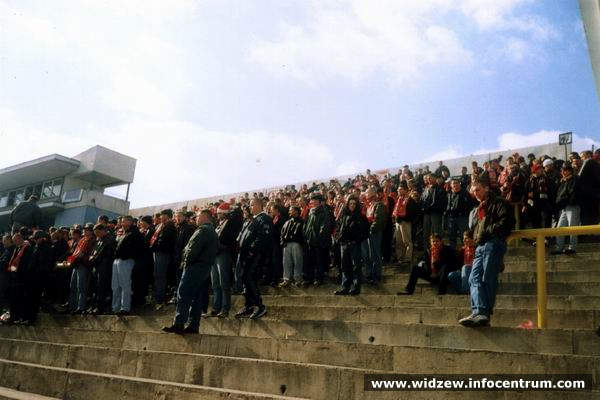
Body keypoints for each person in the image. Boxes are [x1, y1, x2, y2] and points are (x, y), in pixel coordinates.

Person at [459, 176, 515, 327]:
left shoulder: (500, 203)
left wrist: (486, 231)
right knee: (473, 278)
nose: (475, 193)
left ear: (486, 188)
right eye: (473, 191)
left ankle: (482, 313)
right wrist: (471, 235)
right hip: (481, 246)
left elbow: (507, 223)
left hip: (494, 243)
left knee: (487, 278)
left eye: (478, 189)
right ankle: (479, 312)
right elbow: (477, 229)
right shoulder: (478, 209)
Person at [163, 209, 218, 334]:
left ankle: (179, 323)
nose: (195, 219)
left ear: (204, 217)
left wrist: (185, 263)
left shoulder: (203, 230)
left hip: (194, 267)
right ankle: (193, 325)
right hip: (204, 267)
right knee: (196, 297)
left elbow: (192, 250)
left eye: (197, 216)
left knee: (184, 293)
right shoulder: (212, 231)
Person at [235, 198, 271, 319]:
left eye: (252, 205)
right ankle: (249, 305)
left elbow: (262, 238)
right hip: (248, 256)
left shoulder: (264, 218)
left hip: (256, 256)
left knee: (249, 278)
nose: (250, 207)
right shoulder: (255, 219)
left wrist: (251, 250)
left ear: (260, 205)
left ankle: (259, 306)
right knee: (245, 279)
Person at [204, 203, 241, 318]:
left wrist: (230, 210)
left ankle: (225, 308)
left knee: (223, 282)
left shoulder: (230, 222)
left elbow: (238, 215)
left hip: (223, 254)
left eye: (219, 213)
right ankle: (216, 308)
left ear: (224, 213)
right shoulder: (218, 224)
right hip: (214, 255)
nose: (217, 215)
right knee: (215, 283)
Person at [334, 196, 369, 295]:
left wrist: (356, 240)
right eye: (350, 203)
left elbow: (366, 231)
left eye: (354, 204)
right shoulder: (344, 215)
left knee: (355, 266)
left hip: (354, 244)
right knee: (345, 266)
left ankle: (356, 287)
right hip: (344, 245)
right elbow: (338, 228)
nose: (352, 205)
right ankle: (345, 287)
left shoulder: (361, 217)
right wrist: (338, 238)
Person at [112, 215, 144, 315]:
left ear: (130, 222)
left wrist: (127, 255)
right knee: (115, 285)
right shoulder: (123, 233)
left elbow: (136, 249)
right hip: (117, 260)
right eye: (122, 222)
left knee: (125, 284)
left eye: (124, 221)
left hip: (126, 260)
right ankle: (115, 308)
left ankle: (125, 307)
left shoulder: (135, 233)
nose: (122, 223)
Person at [149, 209, 177, 310]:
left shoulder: (170, 226)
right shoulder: (161, 226)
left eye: (162, 215)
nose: (160, 217)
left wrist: (156, 246)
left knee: (160, 276)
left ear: (167, 216)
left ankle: (160, 299)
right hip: (157, 252)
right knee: (157, 275)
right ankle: (157, 297)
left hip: (163, 253)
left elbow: (164, 240)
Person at [551, 164, 582, 255]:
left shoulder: (575, 179)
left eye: (564, 170)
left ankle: (572, 248)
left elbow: (572, 193)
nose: (562, 172)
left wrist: (566, 201)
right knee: (560, 228)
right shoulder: (563, 181)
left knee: (572, 228)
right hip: (564, 208)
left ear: (569, 170)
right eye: (562, 170)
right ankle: (559, 248)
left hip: (573, 206)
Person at [303, 193, 332, 286]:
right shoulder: (311, 211)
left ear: (319, 202)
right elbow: (306, 224)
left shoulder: (324, 212)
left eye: (314, 200)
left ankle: (318, 279)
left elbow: (324, 227)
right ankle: (309, 278)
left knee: (319, 261)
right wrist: (305, 234)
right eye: (312, 200)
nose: (312, 202)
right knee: (309, 261)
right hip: (309, 240)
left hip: (318, 242)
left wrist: (318, 238)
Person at [4, 232, 33, 324]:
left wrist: (13, 270)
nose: (15, 242)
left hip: (21, 278)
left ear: (20, 239)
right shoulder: (18, 248)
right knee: (14, 298)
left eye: (15, 240)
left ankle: (17, 316)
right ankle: (15, 316)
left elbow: (23, 264)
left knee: (18, 299)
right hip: (15, 277)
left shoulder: (26, 249)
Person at [68, 224, 96, 314]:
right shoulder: (82, 240)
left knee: (81, 287)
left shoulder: (92, 240)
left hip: (83, 265)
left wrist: (78, 257)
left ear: (91, 231)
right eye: (84, 229)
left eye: (87, 229)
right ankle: (72, 306)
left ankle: (81, 307)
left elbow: (87, 253)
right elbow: (75, 252)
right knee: (73, 286)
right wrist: (70, 260)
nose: (84, 231)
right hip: (76, 264)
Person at [88, 224, 115, 314]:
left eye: (98, 233)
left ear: (103, 230)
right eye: (95, 233)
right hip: (97, 267)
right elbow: (94, 252)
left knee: (102, 288)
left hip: (104, 267)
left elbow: (103, 253)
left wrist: (94, 258)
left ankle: (100, 308)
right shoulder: (99, 240)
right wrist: (91, 257)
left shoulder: (109, 240)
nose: (97, 235)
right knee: (95, 287)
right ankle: (94, 306)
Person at [365, 187, 387, 285]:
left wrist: (370, 229)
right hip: (370, 233)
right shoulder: (370, 205)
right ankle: (372, 274)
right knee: (371, 255)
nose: (366, 195)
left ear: (372, 194)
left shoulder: (379, 205)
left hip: (375, 232)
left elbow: (378, 221)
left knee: (376, 254)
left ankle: (377, 276)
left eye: (367, 193)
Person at [279, 206, 305, 287]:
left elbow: (303, 234)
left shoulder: (302, 221)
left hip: (297, 244)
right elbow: (282, 232)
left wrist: (301, 243)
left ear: (296, 211)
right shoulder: (287, 222)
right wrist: (282, 241)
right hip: (287, 244)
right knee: (286, 262)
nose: (289, 212)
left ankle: (298, 279)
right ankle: (286, 279)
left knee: (297, 262)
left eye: (291, 210)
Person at [445, 179, 473, 249]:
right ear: (451, 185)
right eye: (453, 183)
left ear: (459, 184)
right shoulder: (449, 194)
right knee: (452, 237)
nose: (455, 185)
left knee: (463, 236)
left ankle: (467, 253)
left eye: (457, 183)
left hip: (462, 218)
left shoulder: (465, 193)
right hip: (451, 218)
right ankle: (452, 253)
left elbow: (470, 205)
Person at [420, 174, 446, 250]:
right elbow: (422, 199)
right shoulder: (426, 188)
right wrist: (423, 208)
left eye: (430, 178)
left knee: (436, 233)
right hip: (426, 213)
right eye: (428, 178)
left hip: (435, 213)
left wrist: (430, 208)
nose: (429, 180)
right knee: (426, 233)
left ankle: (438, 250)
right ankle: (427, 251)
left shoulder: (440, 189)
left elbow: (440, 202)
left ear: (435, 178)